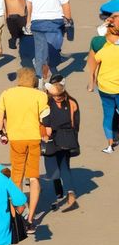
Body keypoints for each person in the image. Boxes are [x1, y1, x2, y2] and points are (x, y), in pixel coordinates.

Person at [0, 68, 49, 225]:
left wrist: (2, 132)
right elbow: (45, 117)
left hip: (16, 139)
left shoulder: (7, 93)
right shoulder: (40, 95)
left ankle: (17, 213)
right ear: (33, 81)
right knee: (33, 177)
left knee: (17, 176)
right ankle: (31, 217)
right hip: (34, 139)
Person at [23, 0, 72, 82]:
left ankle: (40, 78)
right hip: (55, 22)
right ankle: (54, 74)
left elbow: (28, 5)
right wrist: (68, 21)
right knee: (54, 49)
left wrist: (28, 22)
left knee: (40, 50)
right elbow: (65, 4)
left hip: (37, 22)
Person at [37, 79, 79, 213]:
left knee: (52, 167)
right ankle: (69, 194)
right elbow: (75, 123)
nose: (58, 98)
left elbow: (42, 121)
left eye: (59, 95)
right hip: (67, 138)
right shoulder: (72, 101)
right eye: (56, 95)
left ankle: (59, 196)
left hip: (50, 138)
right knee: (64, 166)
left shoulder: (46, 103)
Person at [87, 13, 119, 154]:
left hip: (105, 87)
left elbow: (93, 65)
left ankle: (110, 145)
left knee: (108, 115)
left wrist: (91, 83)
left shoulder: (102, 48)